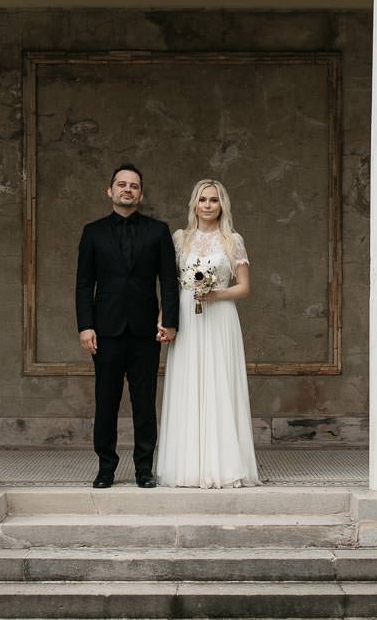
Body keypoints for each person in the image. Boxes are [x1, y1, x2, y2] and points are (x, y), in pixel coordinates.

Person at [74, 162, 178, 488]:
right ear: (110, 190)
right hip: (105, 331)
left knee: (144, 403)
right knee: (106, 401)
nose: (127, 189)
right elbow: (83, 284)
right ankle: (106, 468)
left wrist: (171, 322)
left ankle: (143, 470)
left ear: (141, 193)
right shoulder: (92, 232)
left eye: (133, 186)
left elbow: (169, 282)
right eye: (122, 184)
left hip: (146, 331)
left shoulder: (158, 231)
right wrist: (85, 326)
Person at [154, 177, 261, 488]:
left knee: (218, 383)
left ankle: (224, 465)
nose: (208, 205)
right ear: (195, 204)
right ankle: (188, 466)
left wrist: (217, 294)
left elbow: (244, 288)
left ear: (221, 205)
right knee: (188, 382)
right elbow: (170, 285)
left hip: (220, 317)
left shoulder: (233, 240)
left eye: (214, 200)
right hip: (187, 315)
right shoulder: (180, 239)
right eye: (203, 200)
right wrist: (164, 318)